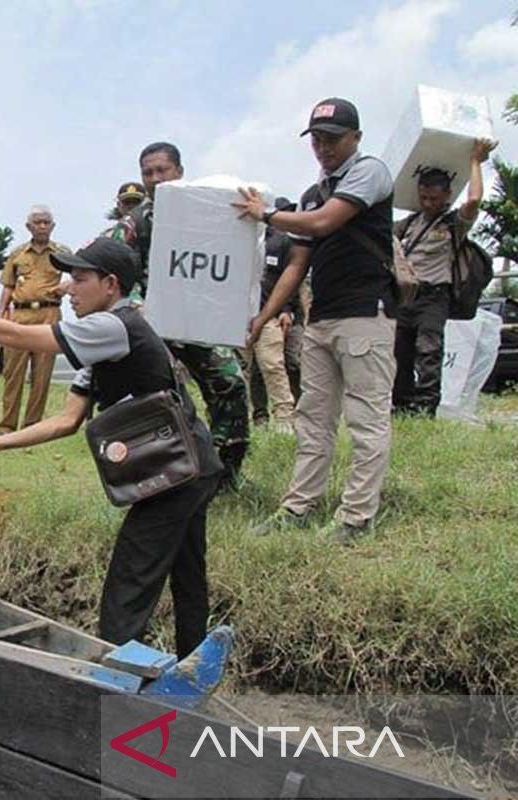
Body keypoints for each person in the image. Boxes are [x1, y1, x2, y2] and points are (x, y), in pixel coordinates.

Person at [0, 238, 223, 658]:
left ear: (111, 284)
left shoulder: (113, 325)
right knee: (186, 572)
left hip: (178, 472)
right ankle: (191, 664)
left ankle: (118, 677)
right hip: (190, 466)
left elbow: (17, 334)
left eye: (80, 279)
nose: (68, 288)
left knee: (131, 579)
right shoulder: (100, 342)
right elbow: (66, 420)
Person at [235, 97, 396, 543]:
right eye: (317, 140)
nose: (323, 147)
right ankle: (299, 507)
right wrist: (262, 317)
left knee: (366, 419)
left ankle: (356, 517)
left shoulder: (371, 172)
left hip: (366, 314)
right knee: (313, 419)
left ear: (356, 138)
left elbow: (325, 223)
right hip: (322, 318)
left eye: (332, 139)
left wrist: (265, 214)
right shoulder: (310, 195)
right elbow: (295, 266)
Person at [117, 142, 251, 488]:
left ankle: (225, 472)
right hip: (152, 327)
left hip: (199, 322)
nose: (155, 178)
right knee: (161, 401)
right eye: (148, 172)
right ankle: (161, 478)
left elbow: (228, 262)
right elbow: (118, 276)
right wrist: (138, 307)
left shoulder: (208, 212)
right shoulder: (134, 223)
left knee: (231, 383)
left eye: (162, 170)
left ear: (179, 171)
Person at [392, 138, 496, 416]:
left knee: (429, 351)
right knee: (400, 353)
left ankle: (426, 406)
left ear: (446, 196)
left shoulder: (453, 224)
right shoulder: (409, 224)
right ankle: (400, 405)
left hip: (434, 297)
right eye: (423, 197)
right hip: (405, 297)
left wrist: (475, 161)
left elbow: (473, 199)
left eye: (434, 199)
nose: (428, 203)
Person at [0, 205, 71, 433]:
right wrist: (1, 314)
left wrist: (66, 286)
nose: (42, 226)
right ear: (28, 226)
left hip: (49, 314)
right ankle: (7, 425)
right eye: (37, 222)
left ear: (53, 226)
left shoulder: (62, 252)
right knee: (13, 372)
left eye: (46, 222)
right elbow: (8, 286)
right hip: (20, 315)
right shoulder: (18, 254)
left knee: (42, 373)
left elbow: (80, 275)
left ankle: (32, 425)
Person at [248, 196, 304, 429]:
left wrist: (286, 309)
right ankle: (255, 417)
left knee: (274, 366)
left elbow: (289, 280)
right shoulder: (240, 239)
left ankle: (284, 419)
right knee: (247, 372)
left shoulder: (280, 242)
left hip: (268, 314)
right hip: (238, 317)